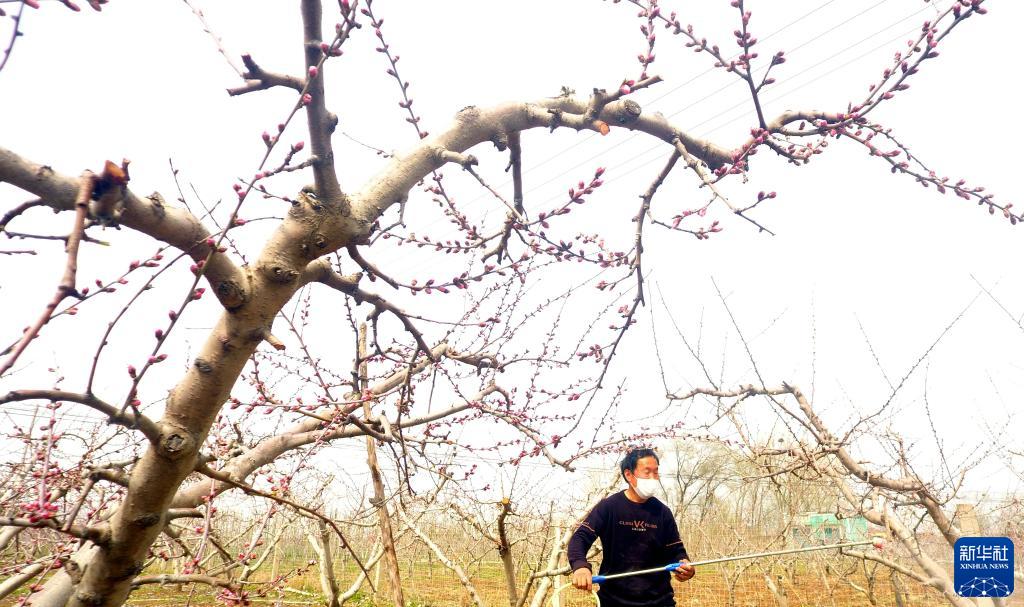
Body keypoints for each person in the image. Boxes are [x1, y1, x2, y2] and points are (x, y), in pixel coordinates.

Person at [567, 448, 695, 607]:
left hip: (660, 601)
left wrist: (685, 566)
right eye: (647, 472)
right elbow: (580, 538)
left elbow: (676, 550)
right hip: (613, 602)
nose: (653, 478)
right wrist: (580, 566)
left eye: (656, 472)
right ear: (628, 475)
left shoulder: (663, 512)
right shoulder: (609, 507)